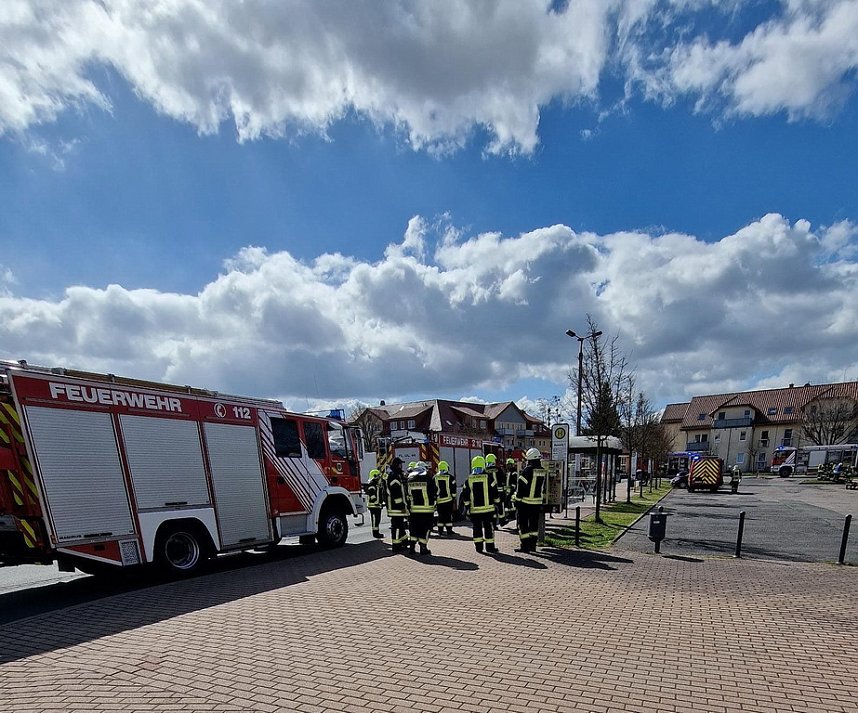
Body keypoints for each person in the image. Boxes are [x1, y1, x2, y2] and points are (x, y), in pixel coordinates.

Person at [461, 455, 499, 554]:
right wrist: (497, 503)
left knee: (477, 528)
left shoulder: (469, 479)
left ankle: (479, 548)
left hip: (475, 510)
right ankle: (490, 547)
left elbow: (465, 495)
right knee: (488, 528)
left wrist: (467, 507)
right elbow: (495, 492)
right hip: (488, 509)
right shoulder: (489, 478)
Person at [516, 448, 547, 553]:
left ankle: (525, 547)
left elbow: (521, 487)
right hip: (537, 503)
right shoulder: (542, 471)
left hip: (525, 503)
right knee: (534, 526)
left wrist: (517, 499)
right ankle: (533, 546)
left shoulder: (527, 470)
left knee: (523, 525)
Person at [406, 461, 437, 555]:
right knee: (426, 528)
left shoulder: (409, 479)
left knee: (413, 528)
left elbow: (407, 495)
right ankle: (423, 548)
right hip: (426, 509)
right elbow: (434, 492)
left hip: (413, 510)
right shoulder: (428, 479)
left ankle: (412, 548)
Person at [386, 457, 410, 552]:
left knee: (400, 525)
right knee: (396, 526)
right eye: (400, 464)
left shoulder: (396, 475)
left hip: (396, 506)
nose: (401, 466)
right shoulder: (394, 476)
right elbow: (396, 492)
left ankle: (404, 541)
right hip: (396, 507)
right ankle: (396, 546)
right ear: (397, 465)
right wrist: (401, 506)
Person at [434, 460, 456, 537]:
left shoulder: (435, 477)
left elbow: (433, 489)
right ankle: (449, 531)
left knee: (440, 516)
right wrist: (453, 498)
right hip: (448, 500)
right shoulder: (451, 477)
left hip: (439, 501)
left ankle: (440, 531)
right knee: (448, 516)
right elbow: (453, 489)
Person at [363, 468, 386, 538]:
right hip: (373, 506)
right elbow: (372, 495)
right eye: (378, 476)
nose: (379, 477)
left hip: (377, 505)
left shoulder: (377, 484)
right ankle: (375, 533)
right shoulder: (372, 484)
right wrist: (377, 502)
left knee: (377, 519)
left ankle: (377, 532)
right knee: (375, 520)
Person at [484, 453, 505, 526]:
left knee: (492, 508)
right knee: (500, 507)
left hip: (489, 493)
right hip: (499, 492)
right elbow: (503, 479)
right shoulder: (498, 469)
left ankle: (494, 524)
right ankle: (502, 521)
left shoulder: (485, 470)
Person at [503, 458, 518, 526]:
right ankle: (510, 515)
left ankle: (512, 515)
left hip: (512, 493)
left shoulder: (514, 473)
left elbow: (514, 484)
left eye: (509, 465)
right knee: (508, 506)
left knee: (512, 506)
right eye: (507, 465)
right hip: (507, 493)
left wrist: (511, 492)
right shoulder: (508, 473)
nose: (508, 466)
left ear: (512, 465)